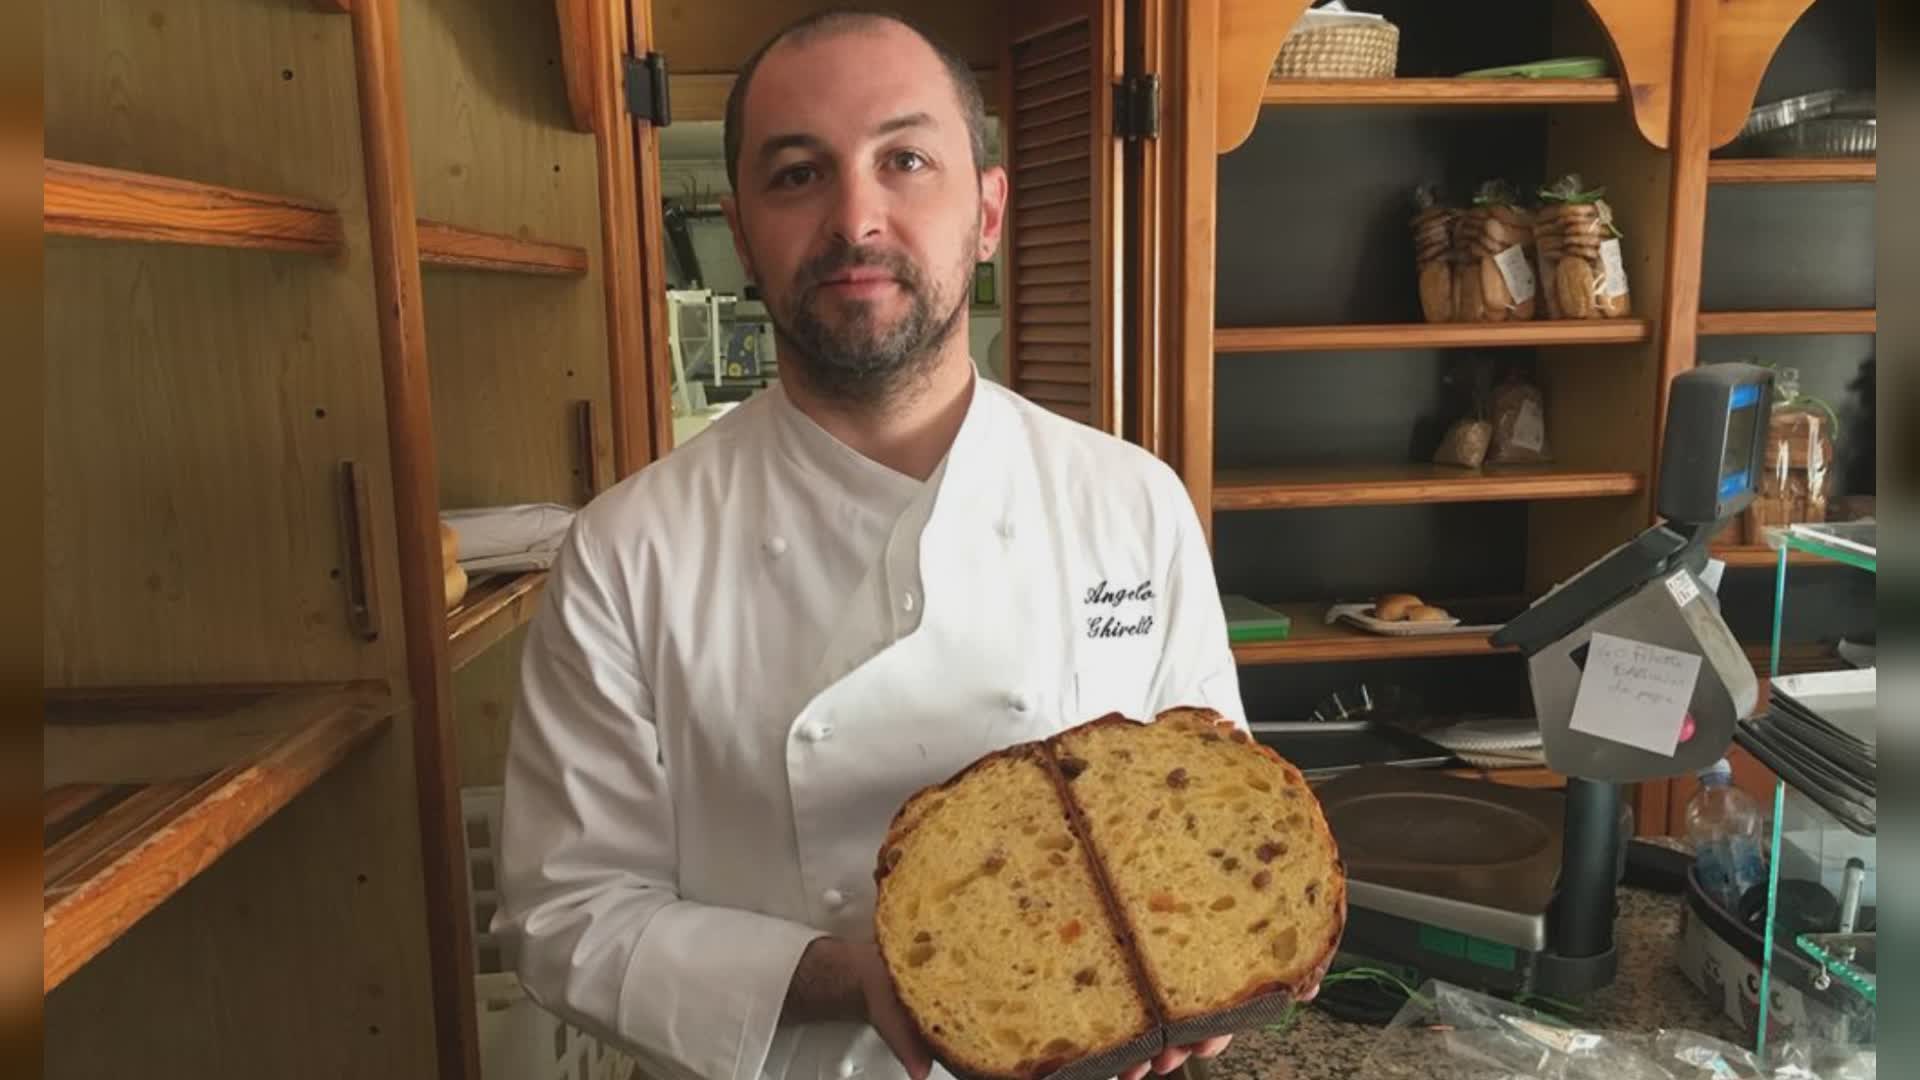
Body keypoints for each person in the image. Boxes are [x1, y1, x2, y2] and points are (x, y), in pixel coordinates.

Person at [495, 10, 1285, 1080]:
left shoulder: (1131, 503)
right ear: (739, 228)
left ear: (989, 211)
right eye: (796, 174)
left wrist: (1211, 961)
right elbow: (566, 919)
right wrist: (847, 972)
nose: (855, 217)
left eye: (905, 160)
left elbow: (1208, 822)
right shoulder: (629, 551)